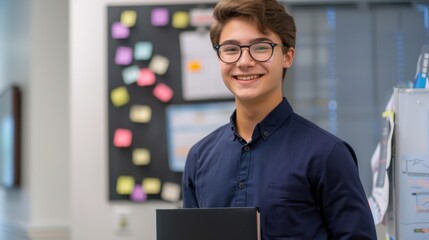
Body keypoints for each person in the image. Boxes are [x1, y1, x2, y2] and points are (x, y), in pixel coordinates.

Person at [182, 0, 377, 239]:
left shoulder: (328, 155)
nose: (244, 62)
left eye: (261, 47)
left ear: (287, 56)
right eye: (231, 49)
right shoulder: (199, 158)